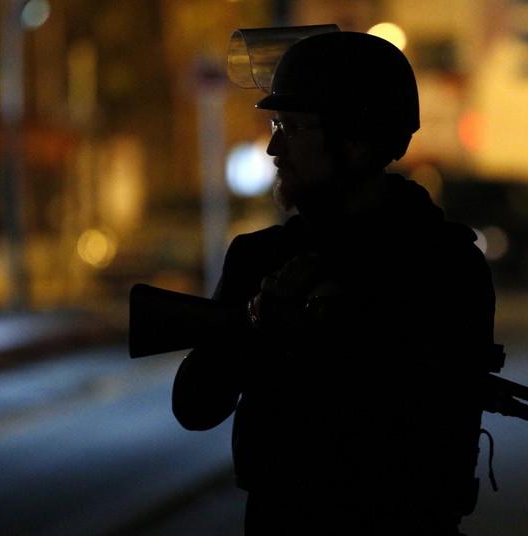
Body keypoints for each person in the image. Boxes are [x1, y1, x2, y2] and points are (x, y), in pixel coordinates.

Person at [172, 27, 497, 535]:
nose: (274, 147)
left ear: (357, 141)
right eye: (278, 123)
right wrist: (257, 319)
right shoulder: (260, 257)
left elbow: (433, 434)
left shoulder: (444, 265)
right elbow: (194, 406)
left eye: (294, 126)